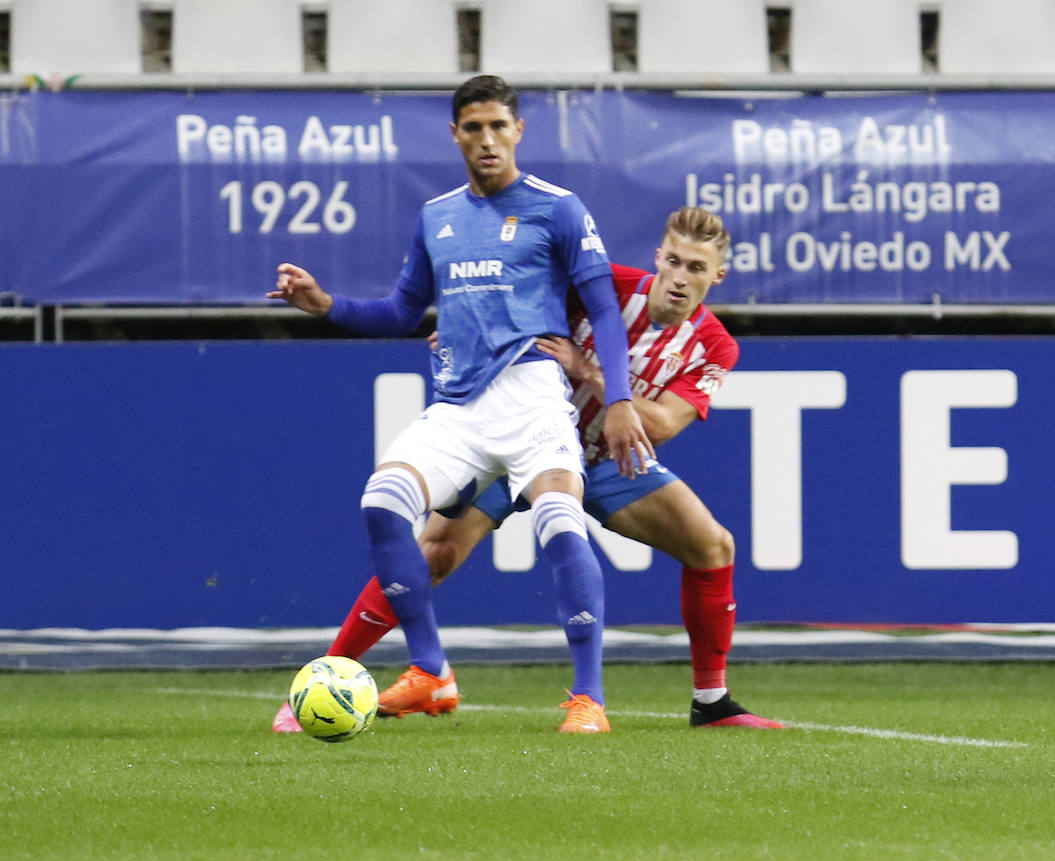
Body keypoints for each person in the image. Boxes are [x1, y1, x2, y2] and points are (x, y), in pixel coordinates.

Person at [274, 207, 784, 733]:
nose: (680, 278)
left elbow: (659, 426)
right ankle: (326, 678)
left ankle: (711, 702)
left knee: (713, 545)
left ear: (718, 275)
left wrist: (584, 368)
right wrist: (467, 335)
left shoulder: (716, 345)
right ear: (658, 257)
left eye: (696, 269)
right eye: (673, 262)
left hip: (607, 460)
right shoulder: (602, 287)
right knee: (435, 552)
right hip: (523, 436)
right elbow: (507, 303)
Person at [268, 75, 653, 734]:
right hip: (459, 406)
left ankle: (588, 699)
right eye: (473, 128)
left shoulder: (558, 208)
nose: (487, 140)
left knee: (560, 525)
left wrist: (618, 399)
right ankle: (431, 670)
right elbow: (399, 311)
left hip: (533, 398)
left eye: (499, 126)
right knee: (382, 505)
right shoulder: (437, 217)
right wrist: (327, 306)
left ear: (519, 131)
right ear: (456, 135)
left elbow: (604, 312)